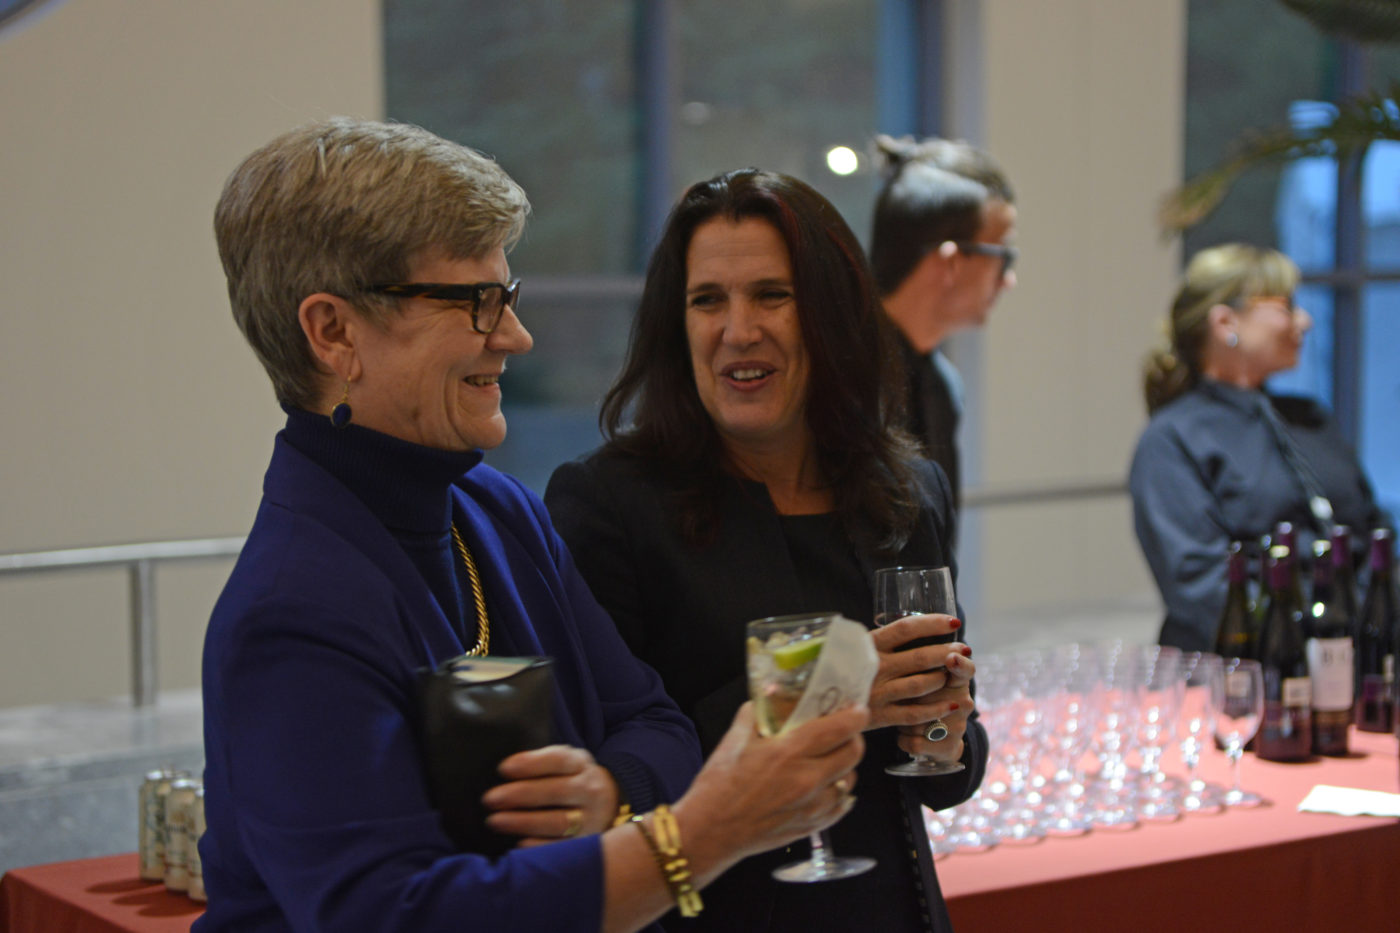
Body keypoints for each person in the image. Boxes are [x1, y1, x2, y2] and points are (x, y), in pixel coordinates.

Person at [198, 118, 871, 933]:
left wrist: (609, 792)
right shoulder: (291, 610)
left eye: (506, 296)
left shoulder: (494, 509)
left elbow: (652, 722)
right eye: (476, 303)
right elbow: (398, 917)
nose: (515, 335)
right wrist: (703, 832)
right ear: (334, 332)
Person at [545, 168, 986, 933]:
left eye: (771, 296)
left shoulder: (909, 488)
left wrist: (943, 728)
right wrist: (841, 691)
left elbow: (947, 768)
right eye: (707, 299)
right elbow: (612, 766)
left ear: (831, 314)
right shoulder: (610, 504)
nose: (737, 329)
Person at [1130, 243, 1386, 651]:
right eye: (1286, 305)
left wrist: (1368, 625)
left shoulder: (1310, 417)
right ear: (1226, 321)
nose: (1304, 320)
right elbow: (1201, 589)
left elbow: (1374, 539)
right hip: (1237, 681)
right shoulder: (1174, 438)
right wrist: (1310, 640)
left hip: (1353, 667)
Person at [868, 135, 1018, 506]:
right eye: (1003, 256)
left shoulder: (942, 384)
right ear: (950, 262)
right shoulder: (839, 376)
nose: (1009, 280)